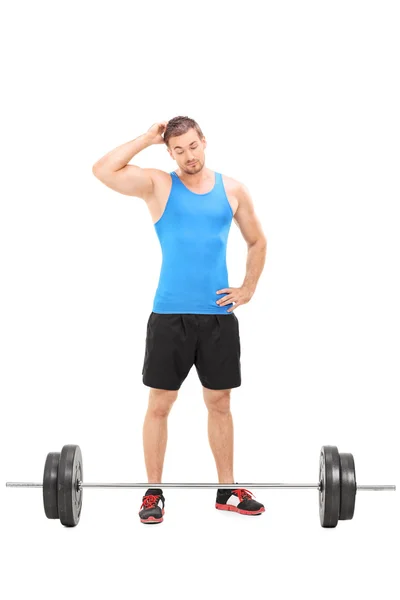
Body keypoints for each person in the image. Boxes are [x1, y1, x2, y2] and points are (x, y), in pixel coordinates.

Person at [92, 116, 268, 524]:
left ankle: (228, 489)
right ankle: (153, 492)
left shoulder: (233, 189)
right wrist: (146, 138)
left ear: (204, 141)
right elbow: (103, 170)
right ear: (169, 152)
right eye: (179, 149)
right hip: (169, 314)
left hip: (218, 316)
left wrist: (248, 288)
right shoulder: (159, 185)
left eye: (193, 146)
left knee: (220, 403)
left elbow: (257, 240)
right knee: (160, 404)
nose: (189, 155)